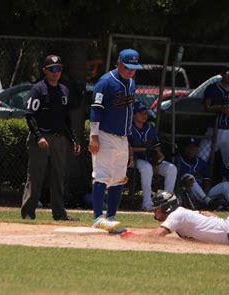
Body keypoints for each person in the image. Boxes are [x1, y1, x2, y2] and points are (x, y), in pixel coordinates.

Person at [21, 54, 81, 221]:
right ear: (45, 71)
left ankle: (59, 213)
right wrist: (38, 136)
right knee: (35, 176)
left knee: (59, 177)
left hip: (59, 139)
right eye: (52, 69)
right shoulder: (38, 89)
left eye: (59, 69)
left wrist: (73, 139)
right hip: (41, 139)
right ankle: (28, 213)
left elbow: (66, 119)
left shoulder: (64, 90)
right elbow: (30, 115)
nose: (56, 72)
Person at [89, 48, 142, 232]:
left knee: (119, 178)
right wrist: (94, 137)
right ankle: (97, 217)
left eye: (134, 68)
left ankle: (111, 216)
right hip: (104, 135)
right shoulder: (106, 82)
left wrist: (127, 141)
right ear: (119, 63)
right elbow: (96, 109)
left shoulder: (131, 83)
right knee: (102, 176)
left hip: (122, 137)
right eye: (127, 67)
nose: (131, 71)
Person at [128, 100, 177, 211]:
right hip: (134, 160)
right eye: (140, 113)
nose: (144, 115)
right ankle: (147, 202)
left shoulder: (149, 128)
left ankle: (167, 202)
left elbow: (157, 147)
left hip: (150, 160)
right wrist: (143, 149)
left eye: (145, 112)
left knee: (171, 169)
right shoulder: (128, 128)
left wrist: (157, 160)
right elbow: (126, 148)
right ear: (134, 114)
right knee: (146, 167)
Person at [175, 137, 229, 210]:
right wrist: (182, 183)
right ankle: (209, 203)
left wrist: (204, 194)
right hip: (187, 194)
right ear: (185, 148)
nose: (192, 150)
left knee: (227, 185)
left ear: (197, 149)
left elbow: (207, 181)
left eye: (194, 147)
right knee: (188, 177)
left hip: (203, 195)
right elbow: (176, 183)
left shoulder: (201, 162)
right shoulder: (178, 161)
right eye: (189, 147)